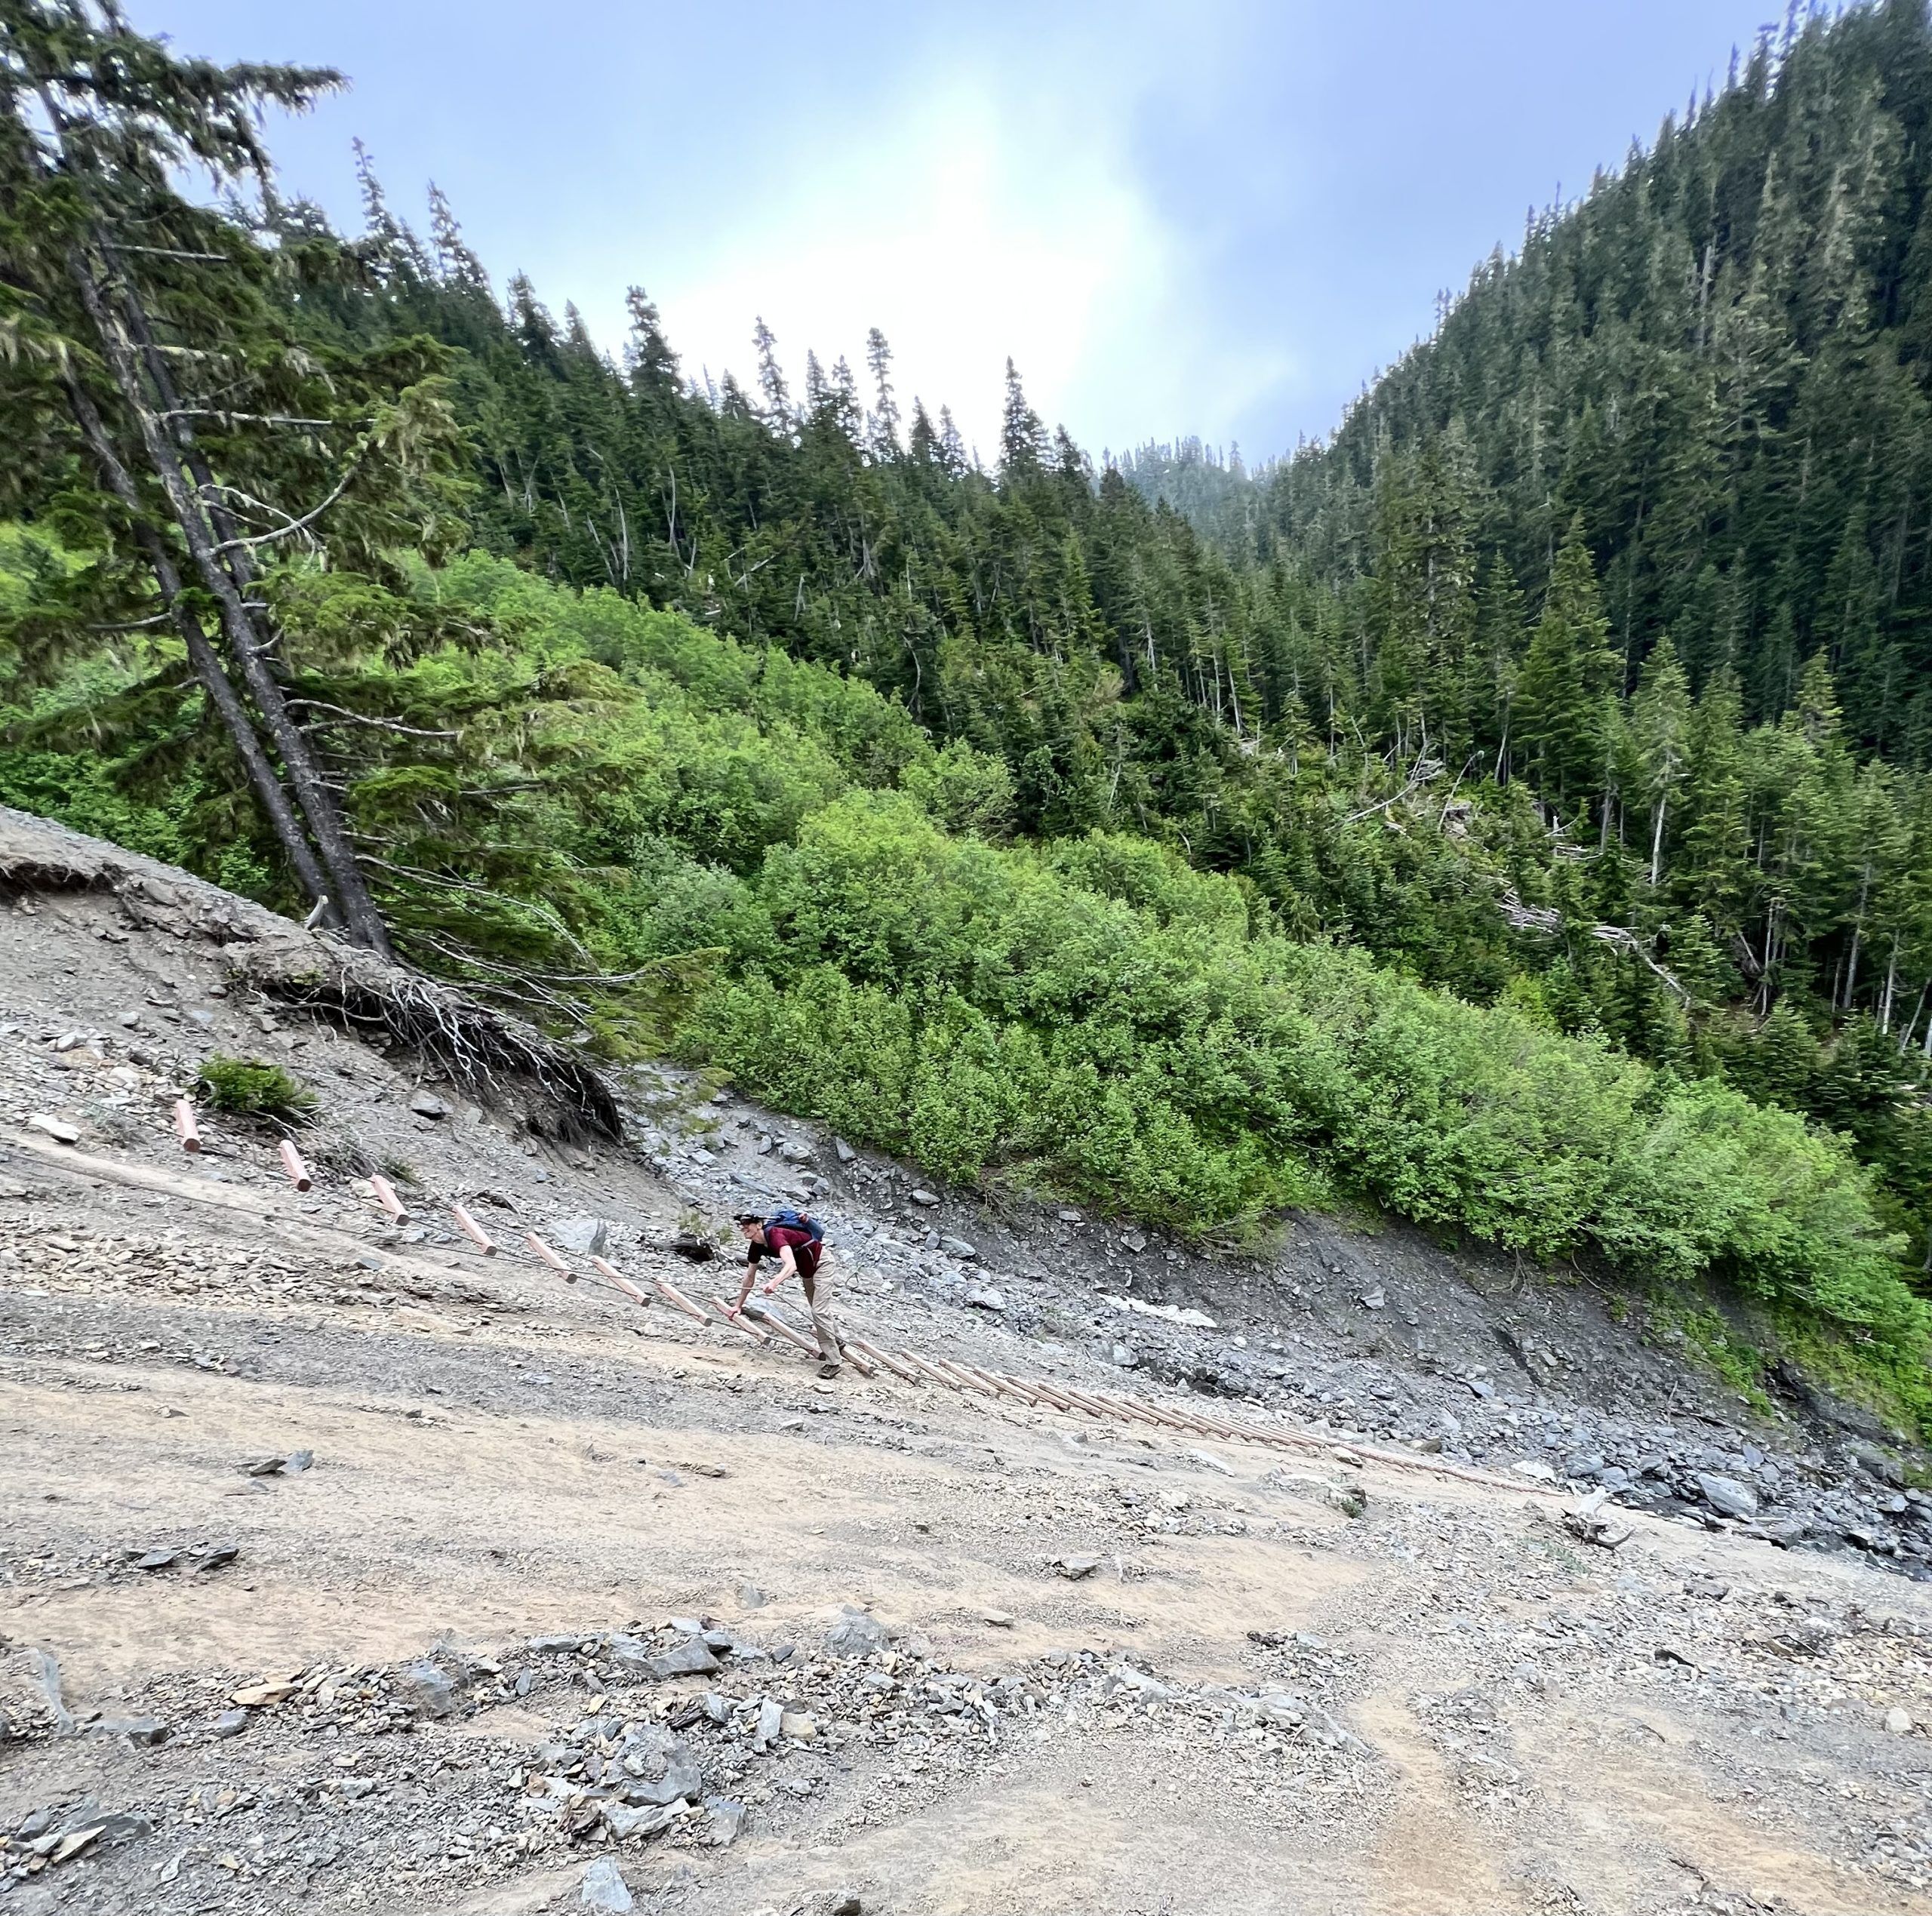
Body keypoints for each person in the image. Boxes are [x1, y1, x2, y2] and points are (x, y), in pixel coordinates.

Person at [734, 1210, 842, 1378]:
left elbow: (791, 1265)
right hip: (808, 1271)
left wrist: (774, 1283)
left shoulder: (776, 1235)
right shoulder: (756, 1247)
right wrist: (738, 1305)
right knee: (818, 1308)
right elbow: (749, 1277)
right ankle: (838, 1341)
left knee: (819, 1311)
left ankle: (833, 1362)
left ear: (759, 1225)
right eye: (743, 1226)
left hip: (822, 1264)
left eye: (748, 1224)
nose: (744, 1228)